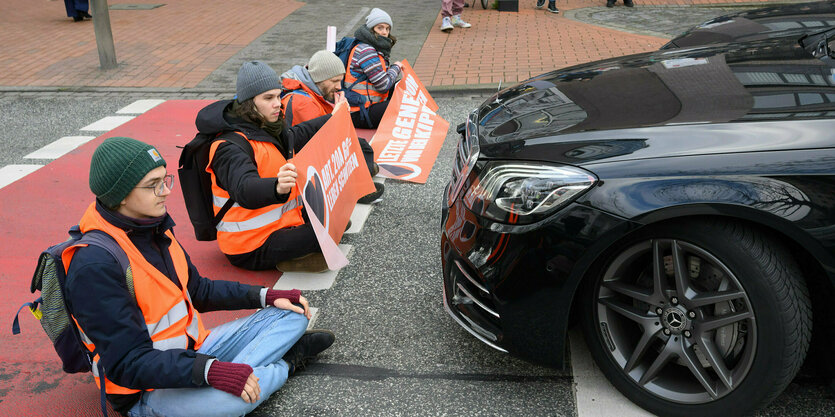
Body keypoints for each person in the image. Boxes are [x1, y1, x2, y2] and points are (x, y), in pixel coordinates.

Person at [65, 136, 335, 417]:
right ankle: (284, 364)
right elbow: (129, 363)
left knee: (293, 314)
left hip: (196, 350)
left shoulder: (154, 227)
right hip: (147, 389)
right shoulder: (94, 265)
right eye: (152, 185)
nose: (165, 192)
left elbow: (198, 289)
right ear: (120, 195)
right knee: (229, 404)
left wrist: (266, 296)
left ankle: (243, 376)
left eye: (164, 179)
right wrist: (210, 370)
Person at [195, 61, 342, 272]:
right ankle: (293, 257)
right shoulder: (228, 146)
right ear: (248, 103)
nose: (278, 103)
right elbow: (243, 188)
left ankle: (298, 253)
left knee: (335, 214)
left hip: (278, 226)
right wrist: (276, 187)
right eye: (268, 98)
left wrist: (333, 117)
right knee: (329, 228)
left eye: (278, 96)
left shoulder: (265, 126)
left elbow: (295, 135)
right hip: (248, 245)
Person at [280, 50, 385, 203]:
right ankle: (356, 190)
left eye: (340, 81)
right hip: (302, 161)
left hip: (308, 151)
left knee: (361, 146)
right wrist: (341, 114)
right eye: (334, 81)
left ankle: (360, 181)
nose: (338, 87)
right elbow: (323, 142)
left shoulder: (311, 92)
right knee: (355, 149)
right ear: (319, 78)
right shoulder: (303, 102)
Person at [345, 8, 402, 125]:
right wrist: (396, 67)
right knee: (403, 107)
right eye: (380, 28)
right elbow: (384, 85)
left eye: (387, 28)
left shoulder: (373, 47)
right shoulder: (366, 51)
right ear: (371, 29)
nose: (385, 32)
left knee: (403, 86)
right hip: (359, 112)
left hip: (367, 105)